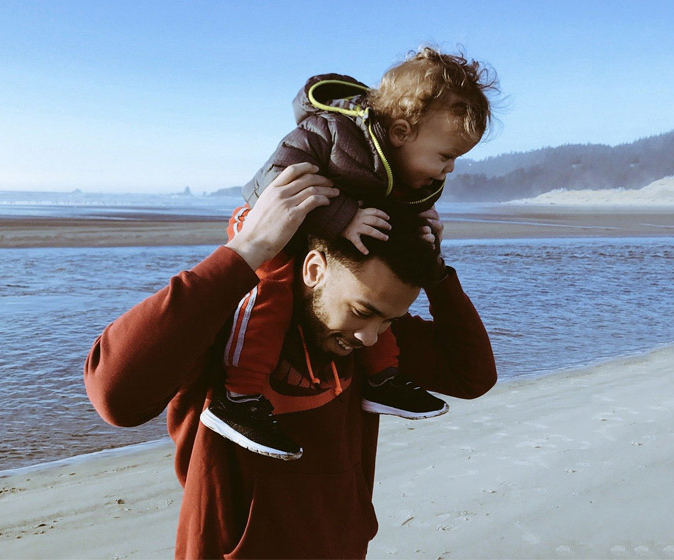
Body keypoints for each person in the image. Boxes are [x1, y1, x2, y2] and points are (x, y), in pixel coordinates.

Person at [84, 163, 497, 559]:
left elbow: (471, 375)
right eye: (363, 311)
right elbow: (115, 397)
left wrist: (436, 273)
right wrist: (245, 251)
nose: (370, 335)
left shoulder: (372, 337)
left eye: (390, 319)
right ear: (315, 269)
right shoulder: (228, 321)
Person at [207, 46, 498, 459]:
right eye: (446, 156)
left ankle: (382, 378)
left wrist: (425, 250)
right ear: (401, 132)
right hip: (269, 230)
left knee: (377, 305)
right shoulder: (331, 132)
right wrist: (342, 218)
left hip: (331, 246)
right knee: (269, 293)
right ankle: (239, 397)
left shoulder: (406, 173)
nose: (450, 169)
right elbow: (270, 182)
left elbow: (474, 375)